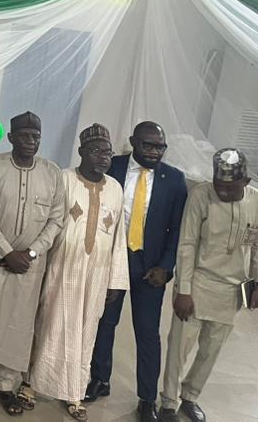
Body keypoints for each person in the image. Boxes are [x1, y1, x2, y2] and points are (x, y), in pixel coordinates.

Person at [0, 112, 65, 415]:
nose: (31, 141)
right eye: (24, 135)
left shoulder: (52, 173)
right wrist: (7, 252)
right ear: (10, 138)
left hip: (30, 266)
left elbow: (56, 220)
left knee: (19, 324)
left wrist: (30, 254)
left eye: (36, 136)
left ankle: (6, 384)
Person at [87, 121, 189, 421]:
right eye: (148, 145)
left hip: (151, 269)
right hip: (113, 261)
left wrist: (166, 267)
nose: (155, 151)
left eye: (160, 146)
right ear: (133, 142)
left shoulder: (174, 179)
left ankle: (147, 398)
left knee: (147, 333)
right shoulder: (112, 167)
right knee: (105, 323)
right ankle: (100, 379)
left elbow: (177, 230)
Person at [29, 123, 129, 422]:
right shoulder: (64, 178)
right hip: (61, 266)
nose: (103, 157)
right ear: (81, 152)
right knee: (49, 323)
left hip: (97, 274)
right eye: (96, 151)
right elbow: (49, 224)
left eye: (107, 152)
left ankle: (74, 392)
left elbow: (118, 238)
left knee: (86, 331)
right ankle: (32, 384)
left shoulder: (115, 188)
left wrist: (116, 281)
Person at [159, 148, 258, 422]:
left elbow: (256, 248)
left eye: (230, 188)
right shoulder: (201, 195)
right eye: (218, 185)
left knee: (210, 351)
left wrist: (257, 283)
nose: (222, 192)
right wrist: (184, 290)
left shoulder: (256, 202)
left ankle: (190, 397)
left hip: (231, 291)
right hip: (197, 284)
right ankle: (168, 403)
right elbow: (187, 244)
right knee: (179, 348)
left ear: (246, 182)